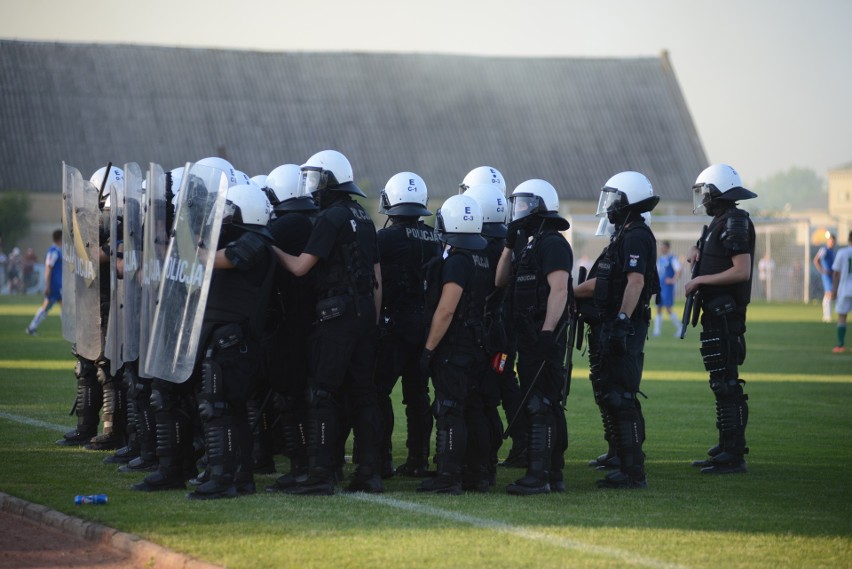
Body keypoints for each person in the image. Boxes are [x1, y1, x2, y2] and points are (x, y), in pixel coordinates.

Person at [273, 150, 384, 495]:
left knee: (322, 394)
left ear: (329, 180)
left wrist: (267, 244)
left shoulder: (330, 217)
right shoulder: (363, 217)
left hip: (335, 316)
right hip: (365, 313)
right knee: (365, 395)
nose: (310, 187)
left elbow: (299, 267)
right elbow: (378, 278)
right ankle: (369, 474)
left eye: (314, 178)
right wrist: (372, 321)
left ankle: (321, 474)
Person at [574, 171, 659, 489]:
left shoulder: (636, 236)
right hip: (613, 323)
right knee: (612, 392)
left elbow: (635, 281)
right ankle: (622, 460)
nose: (608, 206)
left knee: (622, 395)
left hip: (625, 325)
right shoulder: (625, 234)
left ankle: (632, 470)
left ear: (628, 200)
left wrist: (623, 319)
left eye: (614, 199)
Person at [495, 179, 572, 495]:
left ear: (539, 205)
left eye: (524, 203)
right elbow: (500, 281)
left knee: (542, 404)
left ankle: (540, 475)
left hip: (543, 336)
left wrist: (548, 331)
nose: (518, 209)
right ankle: (551, 475)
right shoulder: (527, 243)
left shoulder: (552, 243)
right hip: (526, 336)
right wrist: (509, 246)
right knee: (536, 401)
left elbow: (559, 289)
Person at [417, 194, 490, 494]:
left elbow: (446, 309)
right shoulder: (482, 257)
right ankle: (478, 474)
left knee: (450, 409)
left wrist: (428, 349)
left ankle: (449, 476)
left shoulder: (458, 261)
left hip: (456, 346)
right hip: (476, 343)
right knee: (473, 409)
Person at [686, 163, 757, 475]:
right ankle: (726, 445)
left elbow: (741, 270)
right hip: (715, 314)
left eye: (706, 192)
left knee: (727, 383)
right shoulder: (720, 221)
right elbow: (715, 253)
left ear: (717, 191)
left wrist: (701, 281)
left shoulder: (736, 220)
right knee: (720, 382)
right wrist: (696, 250)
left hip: (726, 314)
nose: (703, 198)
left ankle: (733, 453)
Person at [373, 172, 441, 479]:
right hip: (425, 326)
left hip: (392, 324)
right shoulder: (438, 238)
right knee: (418, 396)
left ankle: (381, 459)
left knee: (378, 392)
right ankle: (418, 460)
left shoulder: (384, 238)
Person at [26, 230, 63, 335]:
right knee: (57, 306)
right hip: (54, 285)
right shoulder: (53, 251)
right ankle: (31, 327)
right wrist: (47, 286)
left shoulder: (57, 250)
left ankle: (32, 327)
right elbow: (48, 267)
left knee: (49, 306)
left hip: (57, 285)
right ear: (60, 238)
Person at [653, 241, 681, 336]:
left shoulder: (672, 258)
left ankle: (680, 329)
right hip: (660, 287)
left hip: (667, 288)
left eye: (663, 247)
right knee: (658, 307)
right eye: (661, 247)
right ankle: (657, 331)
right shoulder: (660, 259)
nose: (661, 249)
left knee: (668, 309)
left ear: (667, 248)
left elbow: (678, 270)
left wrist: (673, 280)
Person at [831, 230, 852, 353]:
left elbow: (836, 273)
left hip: (845, 289)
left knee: (842, 316)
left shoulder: (842, 252)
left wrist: (834, 289)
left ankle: (840, 345)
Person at [814, 233, 836, 322]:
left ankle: (826, 316)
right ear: (828, 241)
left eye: (834, 241)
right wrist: (822, 270)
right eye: (831, 240)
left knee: (829, 295)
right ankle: (827, 316)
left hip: (832, 275)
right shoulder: (824, 249)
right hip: (827, 275)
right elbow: (816, 260)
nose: (833, 242)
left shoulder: (832, 251)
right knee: (829, 294)